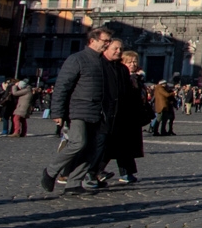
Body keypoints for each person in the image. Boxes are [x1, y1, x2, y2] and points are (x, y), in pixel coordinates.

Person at [40, 29, 119, 193]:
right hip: (78, 110)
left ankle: (74, 183)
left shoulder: (103, 62)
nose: (108, 44)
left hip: (98, 111)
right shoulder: (77, 59)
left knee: (90, 149)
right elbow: (62, 86)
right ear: (92, 40)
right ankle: (51, 171)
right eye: (105, 40)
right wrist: (57, 112)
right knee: (78, 142)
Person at [100, 49, 148, 184]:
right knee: (114, 146)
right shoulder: (121, 77)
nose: (133, 64)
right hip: (121, 116)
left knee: (125, 147)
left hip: (131, 116)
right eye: (129, 62)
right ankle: (96, 171)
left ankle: (127, 173)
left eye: (134, 62)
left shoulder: (137, 78)